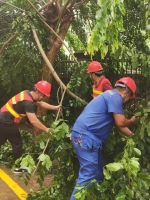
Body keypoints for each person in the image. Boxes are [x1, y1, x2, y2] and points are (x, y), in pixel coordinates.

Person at [70, 77, 136, 200]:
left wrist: (134, 137)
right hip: (85, 137)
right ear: (126, 93)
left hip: (86, 137)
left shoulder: (109, 95)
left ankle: (96, 196)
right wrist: (131, 121)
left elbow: (119, 125)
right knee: (88, 174)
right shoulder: (115, 97)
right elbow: (121, 122)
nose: (126, 101)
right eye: (128, 98)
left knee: (98, 173)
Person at [0, 80, 61, 173]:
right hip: (7, 121)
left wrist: (55, 107)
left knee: (2, 140)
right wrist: (46, 129)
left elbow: (41, 104)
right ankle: (17, 168)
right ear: (38, 92)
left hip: (3, 118)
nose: (44, 97)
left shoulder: (27, 94)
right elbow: (33, 121)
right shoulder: (27, 103)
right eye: (44, 95)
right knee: (17, 142)